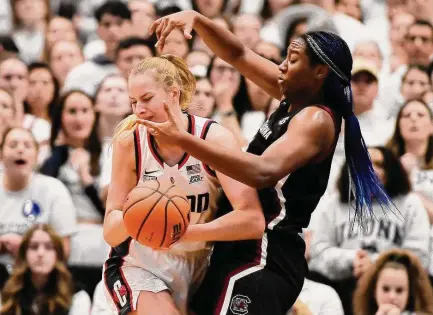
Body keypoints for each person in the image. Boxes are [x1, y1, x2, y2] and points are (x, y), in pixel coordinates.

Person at [140, 10, 393, 315]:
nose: (282, 65)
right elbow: (238, 53)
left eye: (293, 59)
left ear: (319, 73)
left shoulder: (316, 119)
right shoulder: (294, 95)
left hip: (268, 253)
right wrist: (199, 20)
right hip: (240, 245)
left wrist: (186, 140)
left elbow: (262, 172)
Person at [102, 54, 265, 315]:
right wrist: (139, 217)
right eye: (133, 102)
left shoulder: (214, 139)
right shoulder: (130, 142)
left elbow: (252, 220)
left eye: (147, 99)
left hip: (199, 263)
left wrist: (184, 232)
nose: (139, 110)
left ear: (173, 94)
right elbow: (110, 230)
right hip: (139, 262)